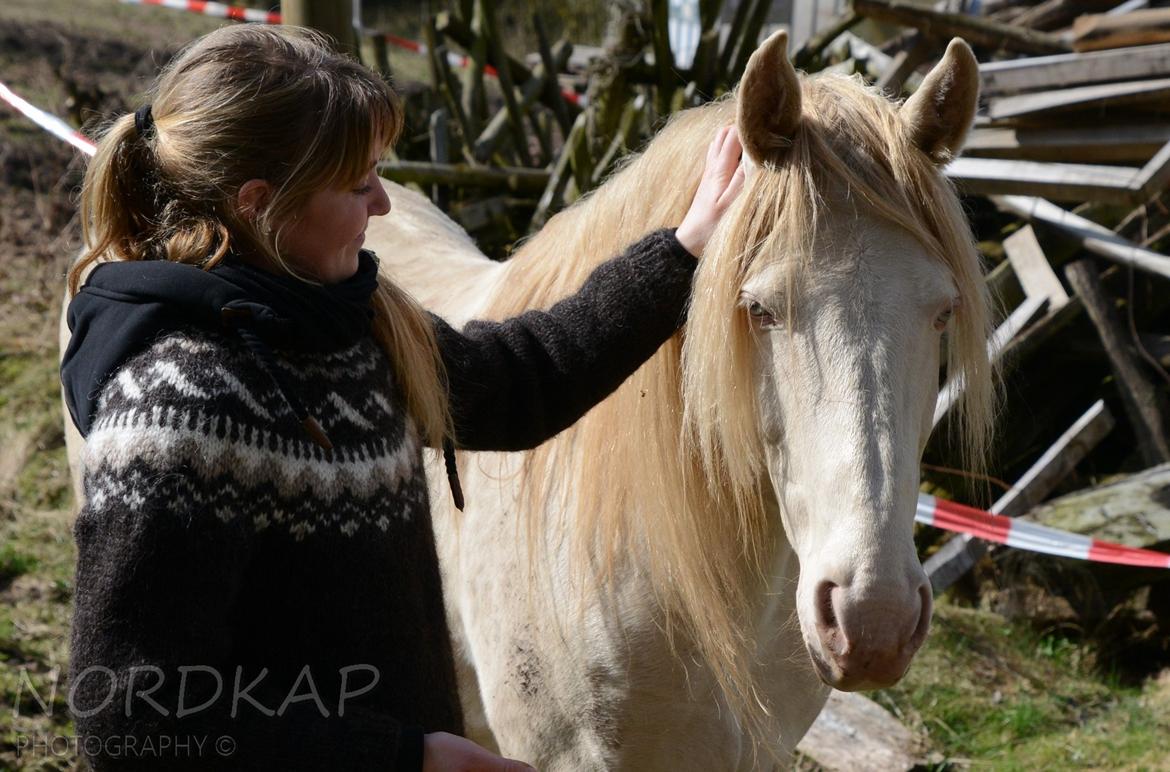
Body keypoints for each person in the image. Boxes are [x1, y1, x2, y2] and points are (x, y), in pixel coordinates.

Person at [60, 23, 744, 772]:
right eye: (358, 184)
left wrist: (682, 250)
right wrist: (401, 757)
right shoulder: (177, 412)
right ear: (261, 204)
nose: (384, 204)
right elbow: (131, 718)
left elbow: (524, 378)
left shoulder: (357, 330)